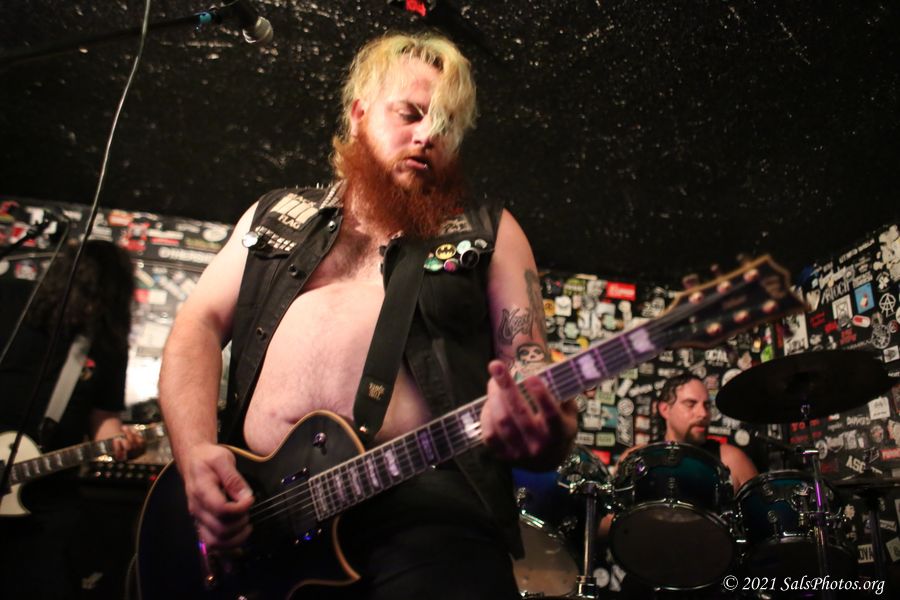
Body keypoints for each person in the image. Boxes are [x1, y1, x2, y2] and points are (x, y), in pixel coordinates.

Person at [157, 32, 578, 599]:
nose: (428, 135)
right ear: (358, 115)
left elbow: (528, 357)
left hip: (424, 516)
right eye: (410, 113)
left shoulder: (488, 230)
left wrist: (543, 423)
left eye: (447, 125)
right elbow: (196, 327)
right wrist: (195, 455)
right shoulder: (275, 215)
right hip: (258, 519)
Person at [0, 238, 145, 599]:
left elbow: (104, 418)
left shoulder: (106, 343)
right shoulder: (12, 301)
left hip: (45, 496)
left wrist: (121, 442)